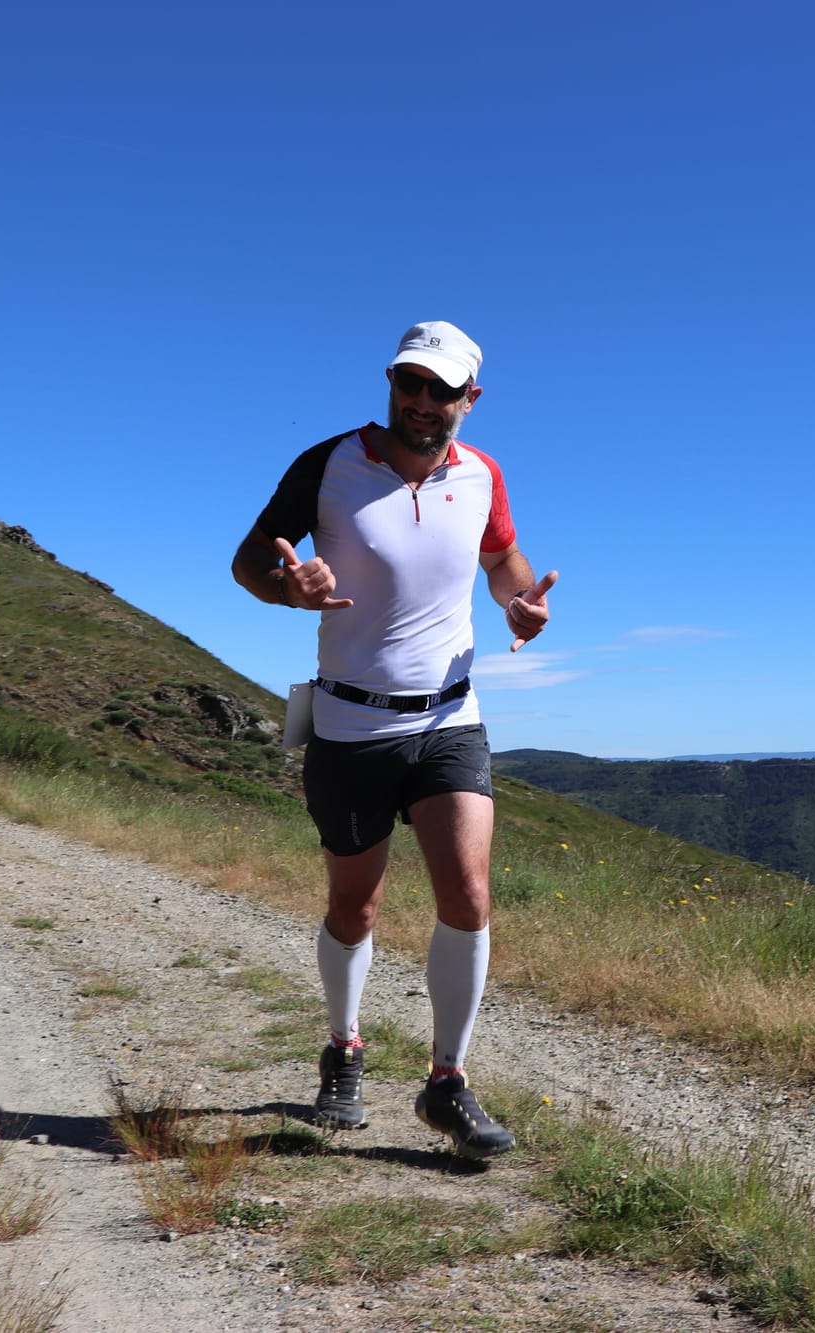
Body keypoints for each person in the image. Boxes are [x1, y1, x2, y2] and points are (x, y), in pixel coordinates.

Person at [230, 321, 557, 1159]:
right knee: (356, 903)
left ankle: (447, 1082)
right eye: (409, 383)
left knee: (469, 894)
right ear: (391, 382)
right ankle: (343, 1047)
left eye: (441, 390)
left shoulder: (483, 475)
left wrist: (522, 604)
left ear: (469, 399)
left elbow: (503, 561)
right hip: (347, 722)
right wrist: (290, 589)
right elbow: (247, 562)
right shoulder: (329, 463)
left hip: (450, 715)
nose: (422, 402)